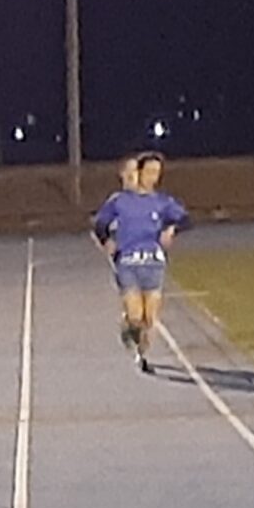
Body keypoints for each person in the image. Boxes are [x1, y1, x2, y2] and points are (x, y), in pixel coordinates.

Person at [90, 150, 189, 373]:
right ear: (139, 172)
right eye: (149, 171)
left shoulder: (163, 202)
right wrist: (106, 241)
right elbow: (100, 224)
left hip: (154, 264)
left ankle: (142, 355)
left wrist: (172, 229)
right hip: (128, 263)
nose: (154, 176)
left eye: (157, 172)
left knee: (149, 319)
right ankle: (128, 325)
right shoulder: (120, 201)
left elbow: (185, 218)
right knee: (136, 317)